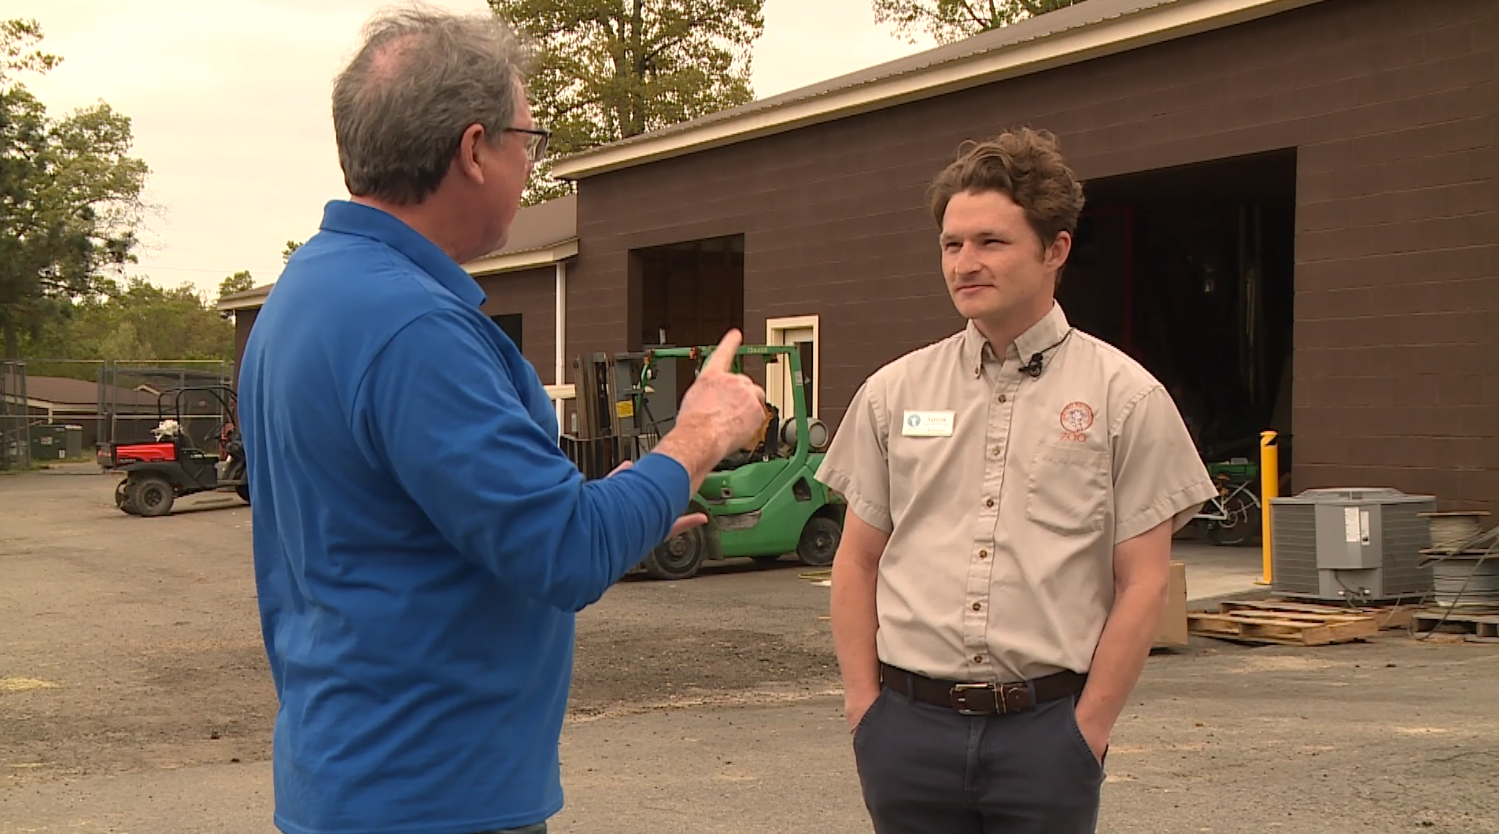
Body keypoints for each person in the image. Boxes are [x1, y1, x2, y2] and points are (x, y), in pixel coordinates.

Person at [236, 7, 767, 834]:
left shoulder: (309, 294)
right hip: (433, 798)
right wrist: (702, 428)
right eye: (530, 140)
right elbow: (563, 552)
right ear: (473, 148)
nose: (532, 166)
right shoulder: (415, 328)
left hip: (354, 776)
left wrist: (625, 498)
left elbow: (456, 522)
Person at [816, 127, 1216, 834]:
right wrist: (864, 709)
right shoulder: (893, 393)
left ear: (1054, 249)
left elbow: (1144, 583)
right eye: (951, 244)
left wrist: (1084, 731)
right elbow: (856, 560)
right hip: (906, 733)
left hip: (1045, 736)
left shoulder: (1124, 399)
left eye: (990, 242)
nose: (964, 263)